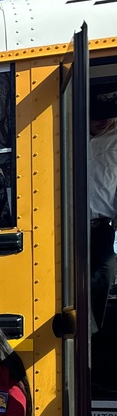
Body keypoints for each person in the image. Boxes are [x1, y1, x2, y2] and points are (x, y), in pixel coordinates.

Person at [88, 94, 117, 332]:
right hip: (68, 223)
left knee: (105, 274)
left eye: (108, 115)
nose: (104, 121)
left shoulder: (116, 139)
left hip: (103, 223)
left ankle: (95, 334)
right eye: (97, 116)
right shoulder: (66, 129)